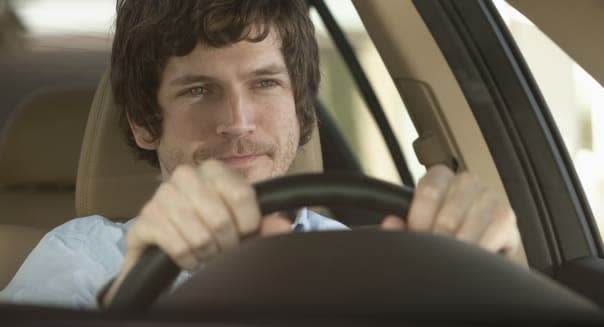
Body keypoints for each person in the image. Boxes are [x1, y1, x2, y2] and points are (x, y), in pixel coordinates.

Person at [0, 0, 521, 309]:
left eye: (265, 83)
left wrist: (494, 284)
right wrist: (128, 298)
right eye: (199, 90)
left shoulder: (373, 256)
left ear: (299, 107)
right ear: (144, 125)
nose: (238, 121)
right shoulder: (80, 258)